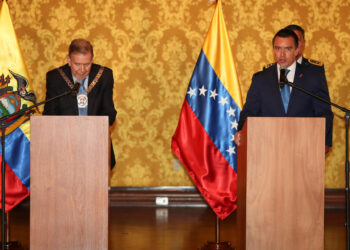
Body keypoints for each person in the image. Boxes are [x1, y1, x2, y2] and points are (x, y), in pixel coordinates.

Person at [237, 28, 333, 152]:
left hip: (304, 150)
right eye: (278, 48)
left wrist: (318, 141)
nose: (281, 54)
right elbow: (248, 113)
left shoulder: (313, 78)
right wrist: (242, 133)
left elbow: (324, 114)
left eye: (287, 49)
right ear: (273, 50)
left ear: (297, 50)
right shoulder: (260, 79)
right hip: (268, 149)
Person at [43, 38, 117, 167]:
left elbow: (109, 113)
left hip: (96, 147)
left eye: (87, 64)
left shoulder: (104, 76)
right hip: (64, 149)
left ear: (92, 60)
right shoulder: (55, 78)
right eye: (77, 64)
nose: (82, 70)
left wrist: (92, 129)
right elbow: (49, 116)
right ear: (69, 60)